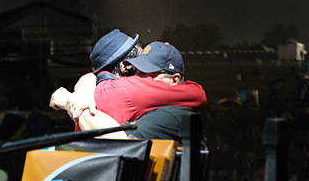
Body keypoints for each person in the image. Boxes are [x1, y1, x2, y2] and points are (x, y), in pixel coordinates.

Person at [51, 37, 206, 140]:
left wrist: (69, 96)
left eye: (147, 72)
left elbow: (90, 77)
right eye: (138, 70)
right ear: (125, 67)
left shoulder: (94, 88)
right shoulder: (129, 89)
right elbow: (198, 94)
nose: (139, 77)